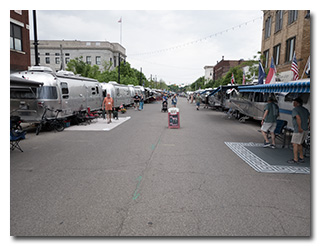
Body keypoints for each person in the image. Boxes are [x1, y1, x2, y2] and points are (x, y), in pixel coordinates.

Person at [287, 97, 310, 164]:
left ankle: (295, 159)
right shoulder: (305, 110)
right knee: (300, 143)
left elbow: (298, 118)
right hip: (305, 129)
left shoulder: (295, 110)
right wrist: (309, 125)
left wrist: (299, 127)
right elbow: (310, 117)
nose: (293, 103)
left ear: (297, 103)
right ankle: (301, 157)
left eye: (294, 102)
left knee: (295, 144)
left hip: (298, 130)